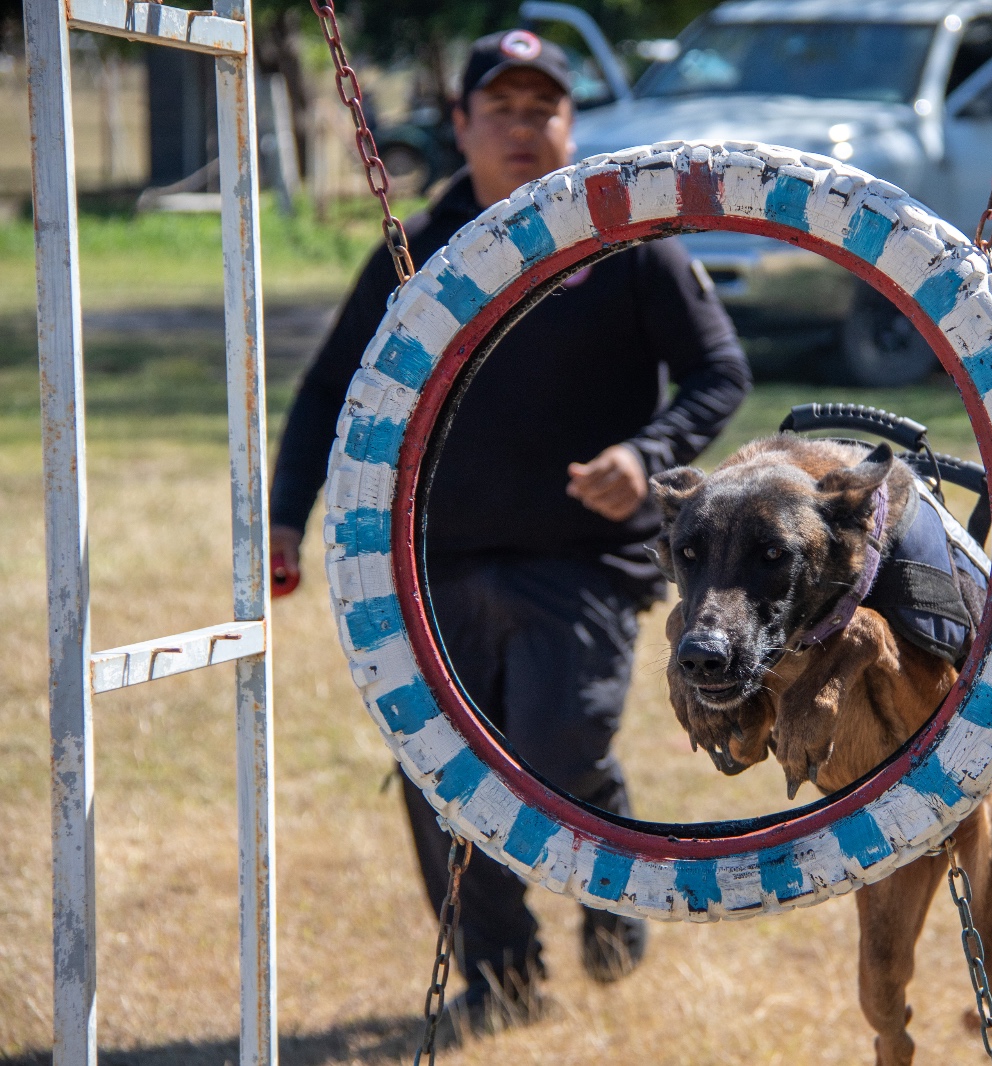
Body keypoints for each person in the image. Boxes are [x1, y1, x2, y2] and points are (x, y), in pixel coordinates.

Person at [268, 29, 750, 1022]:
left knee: (554, 747)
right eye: (502, 109)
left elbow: (718, 373)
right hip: (434, 560)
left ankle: (609, 875)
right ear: (461, 125)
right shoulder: (420, 249)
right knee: (438, 773)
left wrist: (645, 455)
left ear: (572, 125)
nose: (524, 129)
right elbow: (331, 392)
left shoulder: (625, 240)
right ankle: (500, 974)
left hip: (582, 561)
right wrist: (284, 516)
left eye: (545, 109)